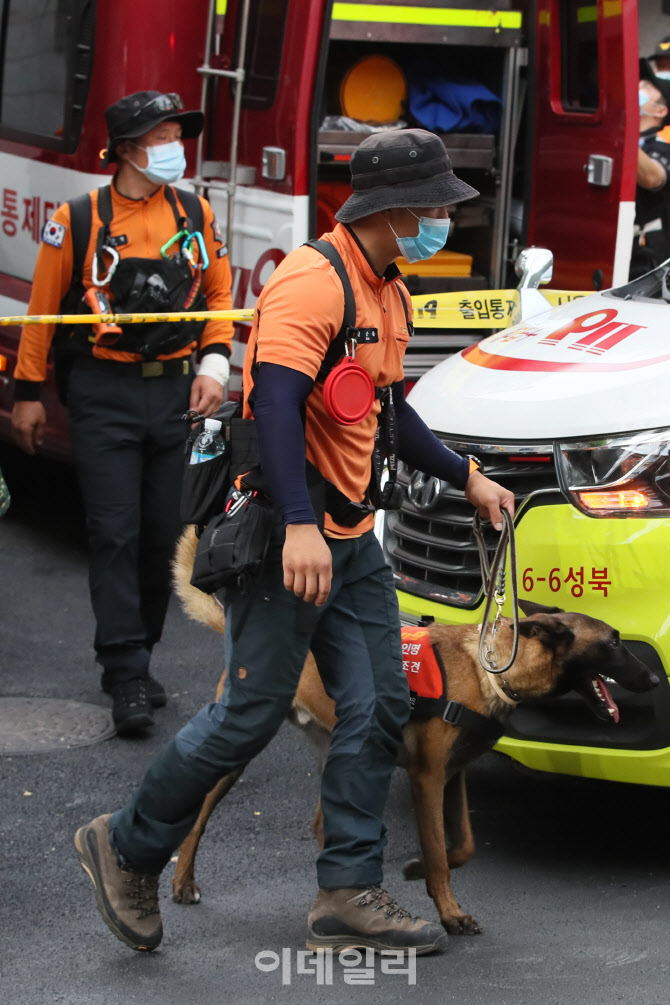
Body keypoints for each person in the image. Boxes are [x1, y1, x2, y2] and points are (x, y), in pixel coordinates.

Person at [74, 129, 515, 956]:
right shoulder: (313, 281)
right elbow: (271, 407)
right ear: (397, 210)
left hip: (350, 539)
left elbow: (390, 411)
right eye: (436, 208)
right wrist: (303, 527)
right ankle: (126, 847)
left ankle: (348, 887)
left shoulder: (387, 288)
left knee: (381, 704)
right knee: (248, 714)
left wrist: (468, 476)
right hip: (289, 537)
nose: (444, 222)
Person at [11, 91, 234, 734]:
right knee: (114, 530)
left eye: (177, 134)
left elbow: (218, 291)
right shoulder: (77, 218)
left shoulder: (194, 211)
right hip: (102, 393)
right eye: (162, 136)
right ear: (129, 149)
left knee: (164, 532)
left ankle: (138, 652)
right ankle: (126, 671)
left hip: (173, 393)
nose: (175, 147)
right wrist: (27, 393)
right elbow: (42, 310)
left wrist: (215, 366)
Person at [631, 71, 670, 278]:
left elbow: (653, 178)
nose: (638, 88)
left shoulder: (663, 147)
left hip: (649, 261)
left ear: (660, 110)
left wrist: (624, 129)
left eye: (646, 89)